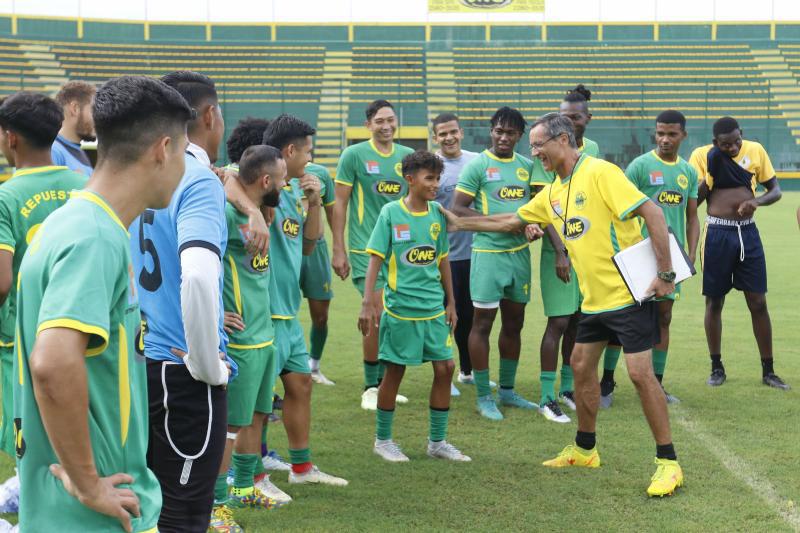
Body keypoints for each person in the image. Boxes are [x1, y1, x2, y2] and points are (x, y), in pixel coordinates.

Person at [445, 112, 684, 497]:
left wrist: (666, 273)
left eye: (539, 144)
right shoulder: (553, 191)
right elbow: (511, 220)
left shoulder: (601, 173)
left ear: (563, 140)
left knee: (641, 376)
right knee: (580, 367)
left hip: (628, 296)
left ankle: (668, 462)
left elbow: (652, 213)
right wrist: (460, 223)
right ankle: (585, 449)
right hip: (593, 303)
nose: (534, 151)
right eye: (532, 146)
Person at [13, 75, 191, 532]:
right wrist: (89, 483)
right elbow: (52, 363)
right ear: (162, 149)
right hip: (94, 513)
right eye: (184, 154)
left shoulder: (79, 219)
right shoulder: (93, 236)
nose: (185, 168)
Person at [130, 71, 233, 533]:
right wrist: (208, 363)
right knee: (186, 512)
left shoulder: (142, 177)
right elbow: (197, 276)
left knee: (149, 499)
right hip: (183, 369)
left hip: (140, 361)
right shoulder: (197, 179)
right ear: (209, 114)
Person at [0, 93, 87, 491]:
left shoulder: (6, 197)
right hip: (79, 327)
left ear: (10, 137)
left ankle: (36, 493)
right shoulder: (84, 185)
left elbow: (2, 281)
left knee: (23, 426)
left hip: (20, 335)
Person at [360, 149, 470, 463]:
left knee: (446, 368)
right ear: (410, 179)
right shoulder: (391, 213)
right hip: (401, 310)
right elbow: (375, 260)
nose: (436, 184)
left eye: (438, 178)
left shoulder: (437, 214)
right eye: (429, 178)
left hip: (434, 309)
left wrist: (451, 301)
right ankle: (383, 440)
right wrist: (368, 301)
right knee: (394, 372)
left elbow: (443, 260)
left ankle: (437, 442)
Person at [263, 114, 348, 487]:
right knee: (255, 402)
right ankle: (251, 475)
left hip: (287, 312)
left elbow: (310, 244)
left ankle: (301, 469)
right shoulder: (256, 185)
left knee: (300, 385)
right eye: (307, 152)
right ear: (289, 151)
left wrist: (314, 202)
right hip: (260, 313)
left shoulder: (298, 189)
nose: (310, 161)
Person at [213, 145, 289, 526]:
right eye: (282, 177)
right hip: (240, 338)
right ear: (264, 181)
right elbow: (193, 261)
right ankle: (215, 506)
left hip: (264, 332)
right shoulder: (224, 212)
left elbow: (232, 171)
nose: (287, 183)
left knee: (258, 415)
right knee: (228, 428)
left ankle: (244, 488)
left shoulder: (260, 209)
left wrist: (258, 210)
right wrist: (214, 310)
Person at [451, 106, 538, 421]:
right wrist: (499, 224)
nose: (504, 137)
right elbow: (458, 209)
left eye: (510, 132)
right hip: (487, 255)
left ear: (519, 136)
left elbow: (535, 208)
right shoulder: (478, 166)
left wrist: (530, 225)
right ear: (491, 131)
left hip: (519, 256)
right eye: (499, 131)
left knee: (515, 323)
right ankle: (484, 397)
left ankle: (507, 390)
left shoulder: (528, 167)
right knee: (482, 324)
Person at [689, 117, 787, 389]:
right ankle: (716, 367)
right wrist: (708, 175)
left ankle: (768, 370)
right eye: (725, 145)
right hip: (717, 234)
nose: (732, 148)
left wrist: (755, 202)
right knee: (715, 302)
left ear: (742, 134)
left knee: (758, 302)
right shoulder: (702, 156)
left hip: (748, 233)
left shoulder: (755, 150)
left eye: (736, 142)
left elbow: (775, 190)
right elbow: (695, 200)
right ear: (714, 143)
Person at [332, 99, 414, 410]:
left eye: (391, 120)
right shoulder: (353, 155)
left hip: (400, 253)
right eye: (380, 121)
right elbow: (340, 202)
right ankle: (370, 386)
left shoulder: (407, 157)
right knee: (377, 314)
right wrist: (339, 249)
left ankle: (383, 384)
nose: (386, 126)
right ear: (368, 124)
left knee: (393, 318)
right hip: (365, 249)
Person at [528, 85, 601, 422]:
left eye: (573, 116)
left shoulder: (594, 150)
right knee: (557, 320)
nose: (568, 121)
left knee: (577, 320)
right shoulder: (547, 153)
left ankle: (568, 387)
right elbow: (545, 208)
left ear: (586, 118)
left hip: (585, 250)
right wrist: (560, 252)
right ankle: (546, 396)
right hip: (559, 252)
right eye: (563, 117)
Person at [622, 110, 699, 403]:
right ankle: (606, 383)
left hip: (672, 260)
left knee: (664, 318)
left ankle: (657, 383)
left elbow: (692, 217)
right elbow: (622, 211)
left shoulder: (688, 172)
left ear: (683, 136)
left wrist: (690, 255)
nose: (665, 139)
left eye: (671, 134)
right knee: (627, 319)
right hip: (640, 256)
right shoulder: (640, 166)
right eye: (660, 133)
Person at [430, 112, 480, 397]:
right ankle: (444, 374)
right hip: (445, 256)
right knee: (445, 316)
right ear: (435, 137)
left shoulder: (476, 161)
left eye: (453, 132)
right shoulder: (432, 166)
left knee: (470, 317)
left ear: (461, 132)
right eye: (442, 134)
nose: (448, 137)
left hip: (475, 253)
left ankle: (467, 371)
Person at [301, 159, 337, 385]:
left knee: (321, 314)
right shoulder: (275, 170)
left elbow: (333, 212)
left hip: (318, 249)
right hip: (287, 246)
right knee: (279, 313)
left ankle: (314, 366)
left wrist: (339, 250)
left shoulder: (320, 173)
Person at [51, 80, 96, 175]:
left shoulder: (80, 152)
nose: (97, 117)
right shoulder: (54, 152)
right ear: (75, 108)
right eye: (93, 110)